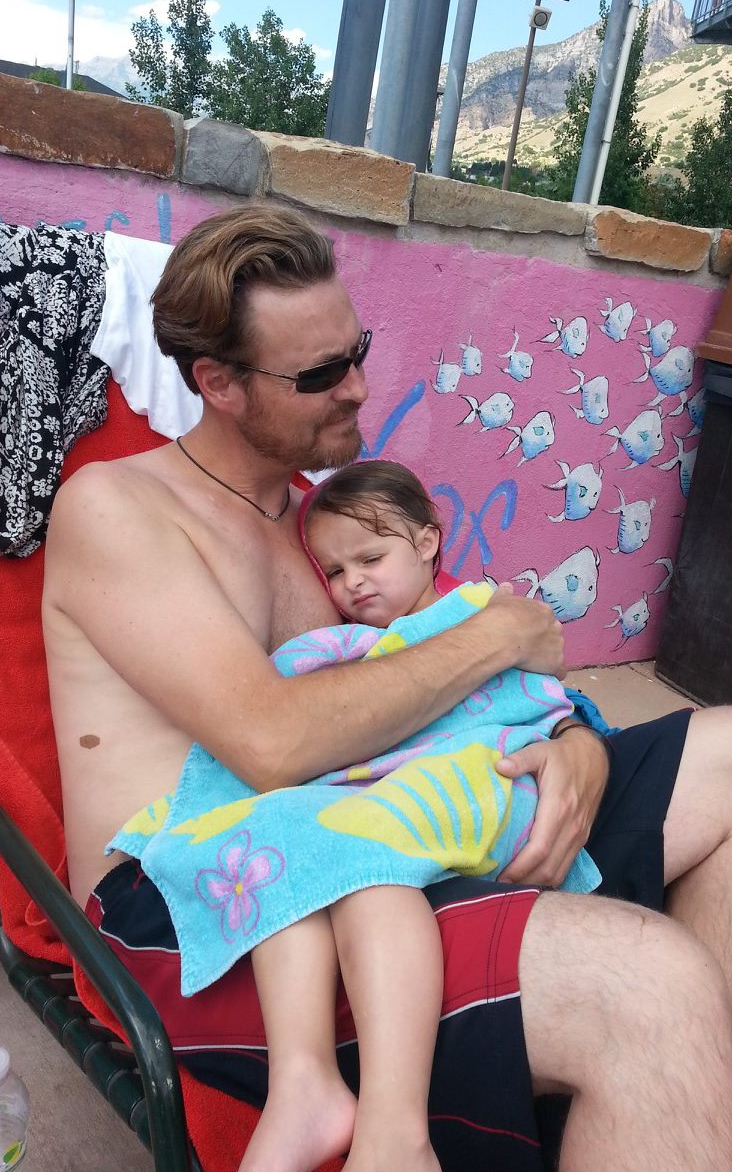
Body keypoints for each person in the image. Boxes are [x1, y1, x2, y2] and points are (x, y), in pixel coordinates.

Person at [43, 203, 732, 1172]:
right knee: (649, 986)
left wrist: (575, 740)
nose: (359, 387)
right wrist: (499, 632)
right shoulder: (121, 509)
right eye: (320, 375)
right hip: (205, 899)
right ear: (218, 384)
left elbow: (433, 688)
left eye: (356, 351)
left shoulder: (329, 529)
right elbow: (274, 742)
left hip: (374, 823)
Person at [171, 458, 593, 1171]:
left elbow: (535, 701)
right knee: (280, 828)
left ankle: (391, 1133)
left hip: (490, 786)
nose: (353, 583)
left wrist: (574, 737)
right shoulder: (361, 644)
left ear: (427, 542)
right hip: (405, 791)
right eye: (335, 572)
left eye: (370, 559)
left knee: (356, 851)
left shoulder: (477, 615)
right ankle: (303, 1086)